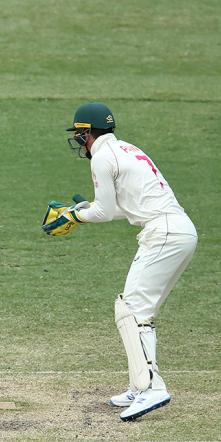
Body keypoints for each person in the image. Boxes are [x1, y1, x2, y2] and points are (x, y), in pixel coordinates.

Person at [43, 102, 198, 421]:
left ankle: (152, 388)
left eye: (79, 134)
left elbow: (102, 213)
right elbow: (119, 208)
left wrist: (74, 216)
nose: (78, 141)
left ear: (87, 132)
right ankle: (140, 385)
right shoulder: (128, 148)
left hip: (163, 234)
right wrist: (84, 209)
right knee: (142, 311)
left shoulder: (101, 156)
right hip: (180, 231)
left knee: (129, 309)